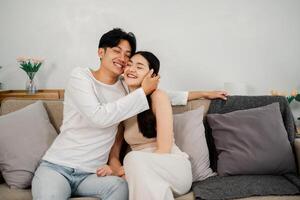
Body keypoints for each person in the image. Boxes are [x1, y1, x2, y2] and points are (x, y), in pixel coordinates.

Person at [32, 28, 227, 200]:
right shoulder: (81, 77)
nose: (124, 60)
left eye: (128, 54)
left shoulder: (126, 89)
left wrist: (203, 93)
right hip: (58, 165)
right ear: (101, 52)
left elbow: (162, 96)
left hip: (96, 173)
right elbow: (99, 117)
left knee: (123, 181)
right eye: (117, 51)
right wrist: (143, 91)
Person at [97, 51, 226, 200]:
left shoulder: (158, 96)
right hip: (144, 173)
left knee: (132, 159)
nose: (131, 69)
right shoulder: (123, 105)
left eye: (139, 67)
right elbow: (114, 154)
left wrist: (120, 171)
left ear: (151, 75)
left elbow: (164, 149)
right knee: (153, 187)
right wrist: (120, 169)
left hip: (172, 167)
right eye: (129, 65)